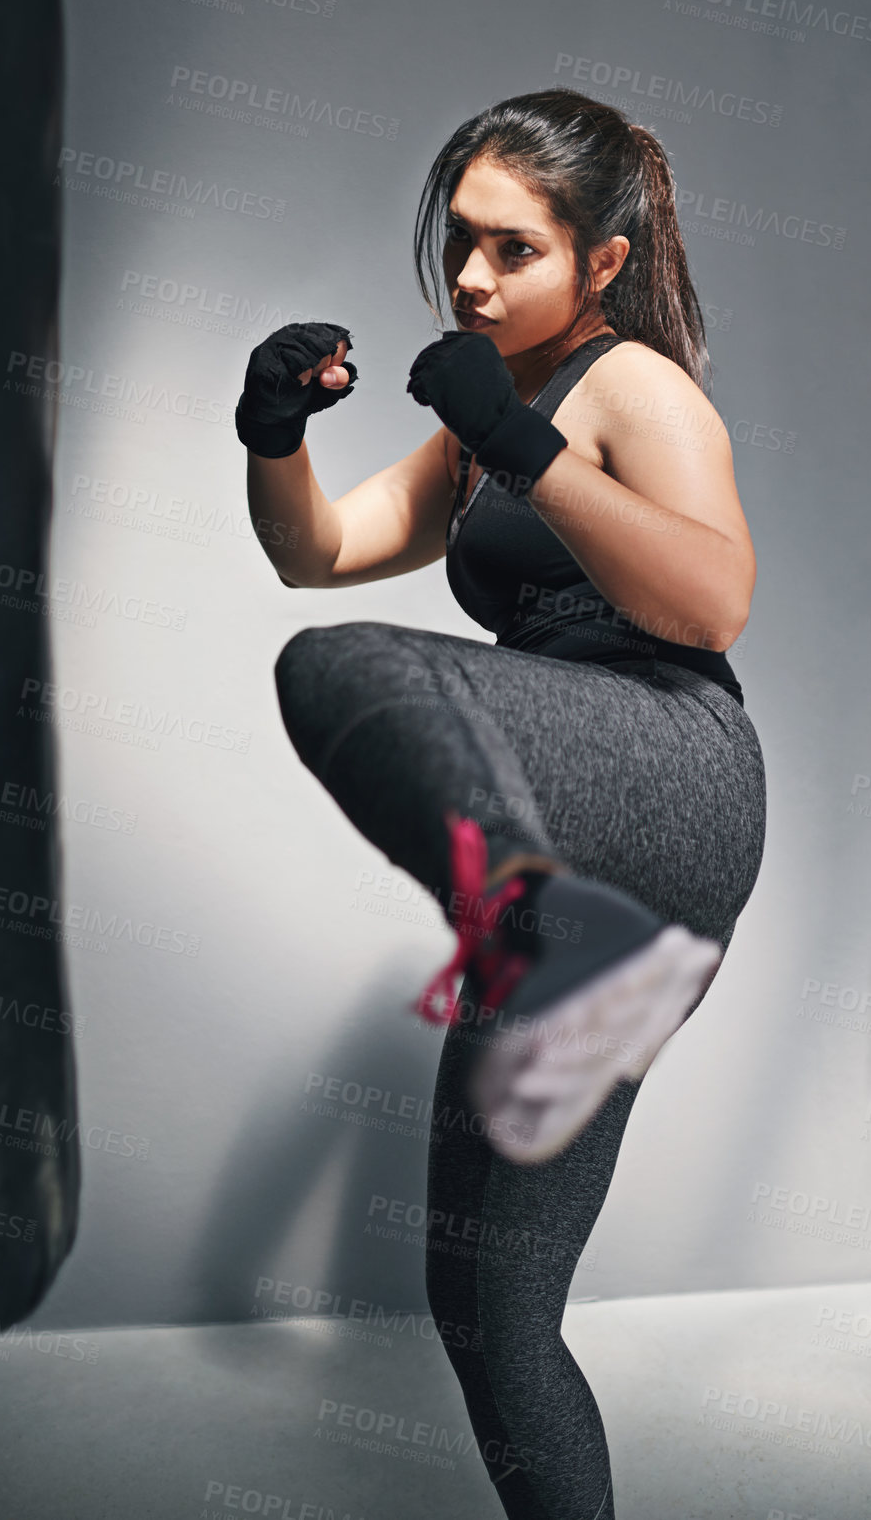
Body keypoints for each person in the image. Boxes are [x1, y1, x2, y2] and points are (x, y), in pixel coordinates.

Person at [236, 88, 767, 1518]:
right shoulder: (491, 395)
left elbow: (713, 596)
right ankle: (550, 935)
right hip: (558, 808)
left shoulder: (630, 386)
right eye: (460, 242)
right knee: (484, 1300)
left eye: (511, 250)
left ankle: (540, 925)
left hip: (668, 763)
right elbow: (324, 552)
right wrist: (273, 432)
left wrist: (528, 449)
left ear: (599, 260)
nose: (470, 279)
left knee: (339, 672)